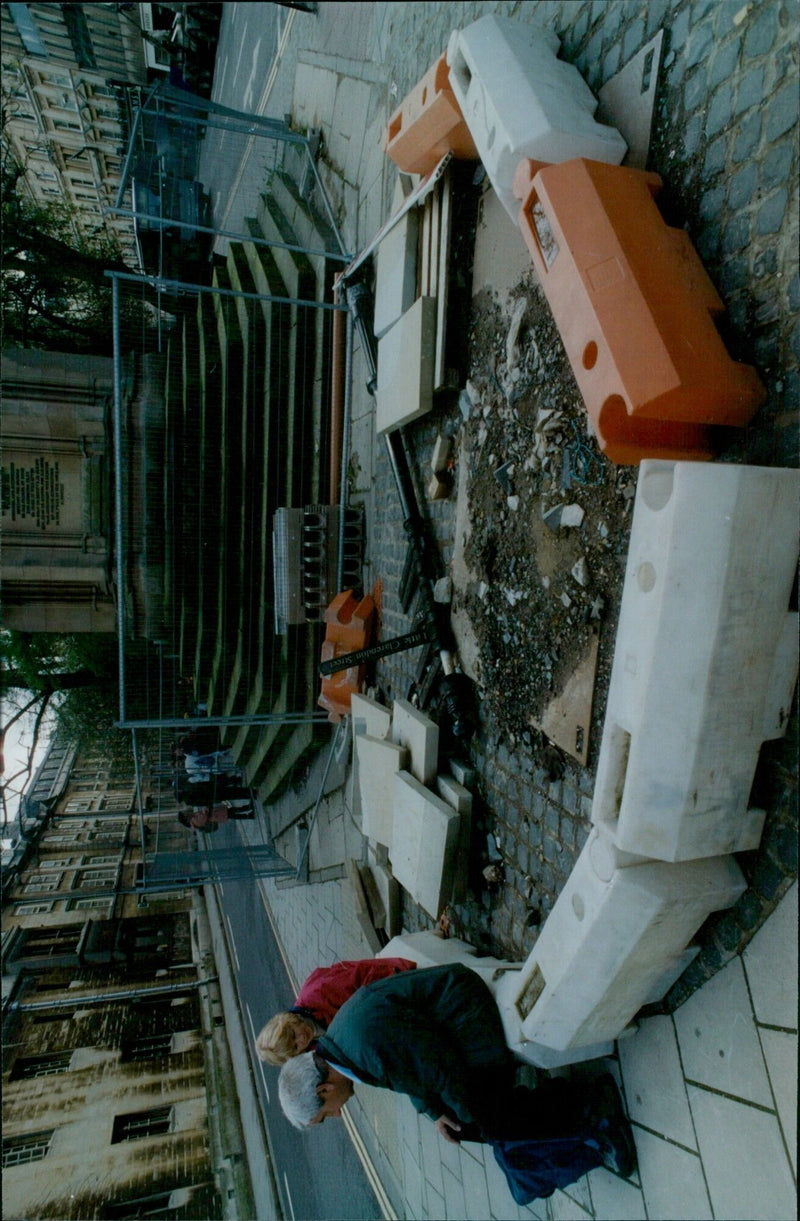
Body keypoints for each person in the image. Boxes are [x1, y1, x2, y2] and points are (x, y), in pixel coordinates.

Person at [278, 963, 636, 1202]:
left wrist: (478, 1116)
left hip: (467, 1015)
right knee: (468, 1125)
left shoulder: (365, 1049)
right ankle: (571, 1111)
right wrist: (435, 1111)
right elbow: (415, 1070)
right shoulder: (344, 1049)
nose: (337, 1115)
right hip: (450, 1023)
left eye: (325, 1114)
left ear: (323, 1090)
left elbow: (439, 1067)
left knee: (490, 1122)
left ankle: (593, 1116)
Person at [256, 957, 417, 1065]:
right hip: (379, 1019)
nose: (301, 1039)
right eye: (296, 1047)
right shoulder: (313, 1048)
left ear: (288, 1021)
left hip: (392, 980)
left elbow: (367, 977)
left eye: (293, 1034)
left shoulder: (319, 993)